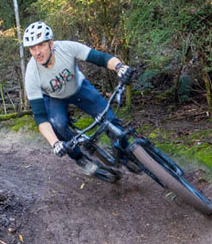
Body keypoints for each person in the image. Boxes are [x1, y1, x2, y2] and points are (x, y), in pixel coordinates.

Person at [22, 21, 133, 176]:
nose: (37, 52)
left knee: (110, 120)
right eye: (32, 48)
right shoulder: (32, 73)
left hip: (79, 89)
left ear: (51, 43)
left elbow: (100, 58)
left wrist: (119, 67)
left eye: (40, 45)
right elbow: (40, 117)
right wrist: (55, 143)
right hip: (55, 98)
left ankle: (125, 154)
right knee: (58, 124)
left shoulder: (66, 48)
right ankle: (79, 157)